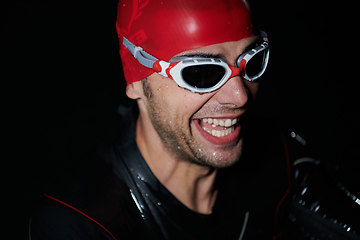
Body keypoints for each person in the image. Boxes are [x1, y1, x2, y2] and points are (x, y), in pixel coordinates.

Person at [30, 0, 360, 239]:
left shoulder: (281, 159)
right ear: (136, 81)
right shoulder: (81, 223)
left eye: (251, 62)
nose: (240, 97)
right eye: (202, 73)